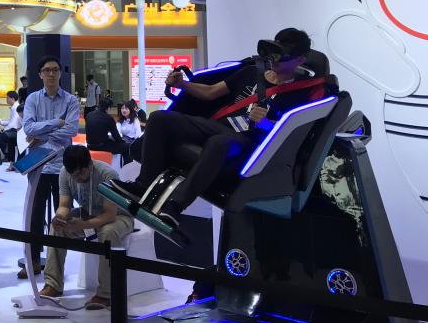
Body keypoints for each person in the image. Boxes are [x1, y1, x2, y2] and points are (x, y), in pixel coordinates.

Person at [115, 28, 314, 229]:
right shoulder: (252, 72)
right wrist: (182, 84)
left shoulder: (301, 93)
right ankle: (142, 185)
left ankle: (175, 206)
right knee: (159, 118)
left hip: (249, 141)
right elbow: (211, 92)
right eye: (274, 53)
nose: (275, 60)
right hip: (217, 127)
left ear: (300, 59)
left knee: (218, 143)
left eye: (283, 57)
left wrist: (267, 124)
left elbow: (293, 134)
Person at [38, 145, 134, 309]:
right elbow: (64, 205)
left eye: (79, 174)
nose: (76, 179)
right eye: (73, 175)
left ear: (89, 166)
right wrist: (59, 218)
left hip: (119, 216)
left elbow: (110, 215)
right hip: (88, 213)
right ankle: (53, 284)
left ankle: (105, 294)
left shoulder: (107, 174)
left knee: (108, 232)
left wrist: (83, 225)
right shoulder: (65, 173)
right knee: (57, 229)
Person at [20, 55, 80, 278]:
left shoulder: (71, 101)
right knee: (35, 215)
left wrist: (42, 134)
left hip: (63, 166)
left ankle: (56, 267)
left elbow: (72, 130)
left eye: (55, 69)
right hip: (38, 166)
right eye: (47, 70)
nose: (51, 73)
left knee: (61, 216)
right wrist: (57, 123)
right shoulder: (33, 99)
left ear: (60, 73)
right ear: (40, 74)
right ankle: (34, 260)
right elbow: (28, 129)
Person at [85, 97, 131, 161]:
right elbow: (116, 136)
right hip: (101, 146)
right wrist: (123, 142)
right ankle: (126, 165)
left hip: (89, 145)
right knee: (127, 147)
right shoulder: (108, 118)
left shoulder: (89, 115)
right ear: (108, 108)